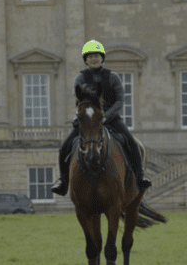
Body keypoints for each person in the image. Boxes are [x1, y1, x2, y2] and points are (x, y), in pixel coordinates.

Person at [51, 40, 151, 196]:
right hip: (88, 121)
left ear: (102, 57)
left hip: (111, 119)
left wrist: (107, 115)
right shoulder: (80, 78)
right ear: (86, 60)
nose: (93, 59)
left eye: (96, 55)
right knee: (64, 146)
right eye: (90, 56)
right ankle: (63, 182)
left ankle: (140, 176)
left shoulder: (113, 77)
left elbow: (120, 100)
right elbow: (78, 101)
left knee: (131, 142)